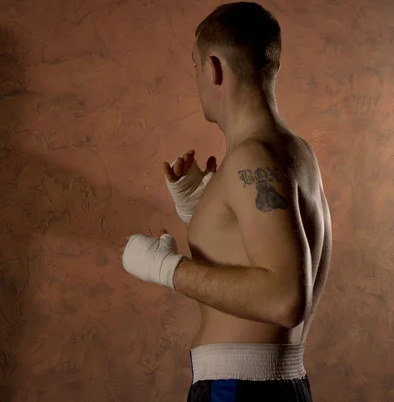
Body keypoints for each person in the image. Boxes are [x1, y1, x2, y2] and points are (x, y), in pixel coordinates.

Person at [121, 2, 332, 401]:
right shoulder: (297, 153)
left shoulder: (251, 159)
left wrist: (164, 268)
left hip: (238, 389)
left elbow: (286, 297)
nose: (196, 77)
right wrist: (203, 209)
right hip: (270, 386)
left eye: (196, 66)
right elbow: (260, 261)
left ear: (215, 67)